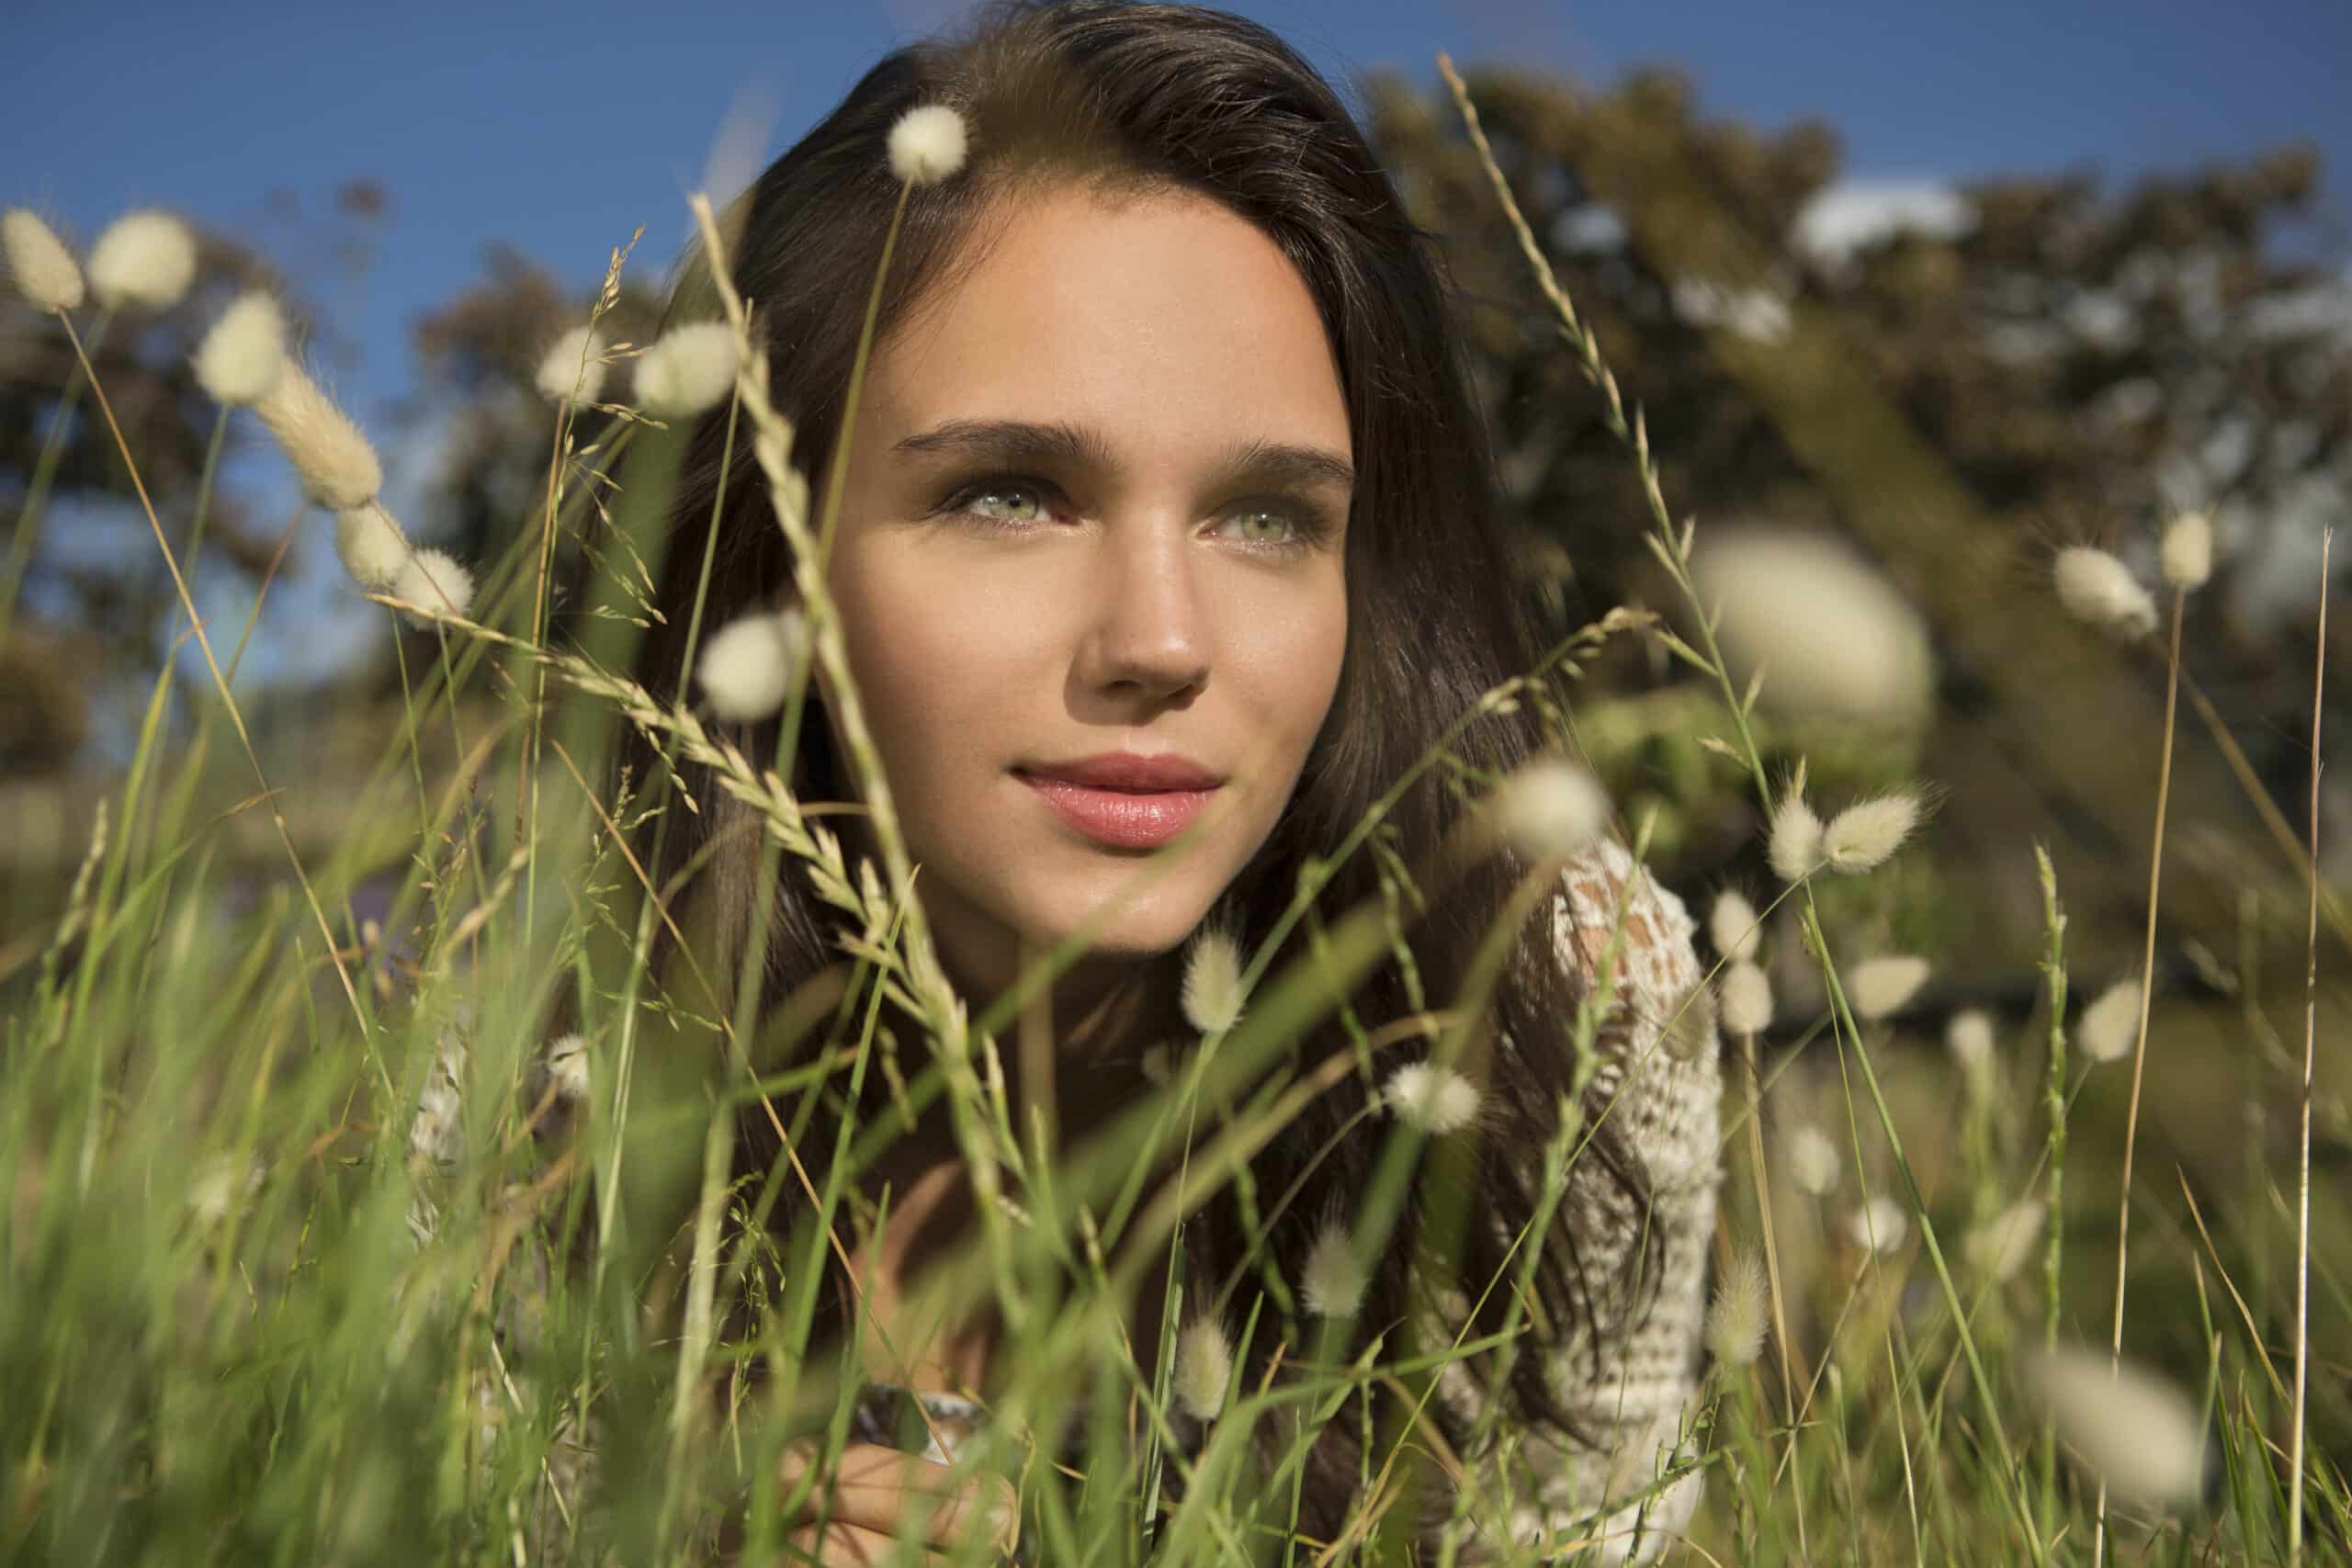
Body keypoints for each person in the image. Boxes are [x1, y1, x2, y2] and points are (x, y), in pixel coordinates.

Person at [588, 1, 1724, 1560]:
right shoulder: (553, 1042)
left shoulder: (1560, 1001)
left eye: (1267, 517)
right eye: (1011, 493)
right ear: (774, 557)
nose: (1165, 642)